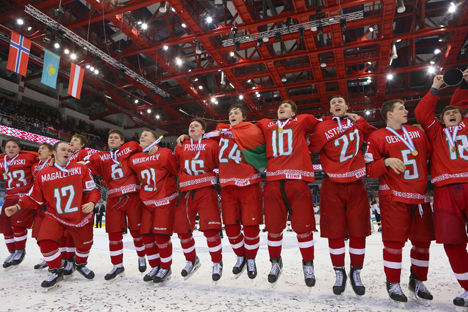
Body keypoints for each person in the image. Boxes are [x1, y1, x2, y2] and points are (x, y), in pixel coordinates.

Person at [365, 98, 435, 305]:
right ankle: (393, 282)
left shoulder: (418, 132)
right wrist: (385, 161)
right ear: (390, 114)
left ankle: (418, 280)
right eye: (401, 108)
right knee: (394, 243)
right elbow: (369, 169)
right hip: (394, 196)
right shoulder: (377, 136)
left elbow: (430, 157)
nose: (406, 111)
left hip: (420, 195)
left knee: (423, 243)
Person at [4, 141, 101, 289]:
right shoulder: (43, 173)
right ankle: (56, 270)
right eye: (63, 149)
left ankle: (81, 265)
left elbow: (93, 190)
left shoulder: (81, 168)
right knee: (45, 241)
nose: (67, 152)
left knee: (84, 247)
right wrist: (18, 206)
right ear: (54, 153)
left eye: (69, 150)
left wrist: (93, 202)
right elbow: (33, 196)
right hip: (55, 215)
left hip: (80, 216)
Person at [308, 95, 375, 296]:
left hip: (356, 183)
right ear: (329, 108)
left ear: (347, 106)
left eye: (340, 102)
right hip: (331, 183)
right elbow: (310, 147)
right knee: (334, 232)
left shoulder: (358, 122)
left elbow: (376, 137)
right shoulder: (322, 126)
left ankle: (356, 271)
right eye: (332, 103)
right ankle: (339, 272)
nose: (336, 104)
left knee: (358, 231)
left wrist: (361, 121)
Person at [414, 74, 468, 308]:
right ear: (442, 120)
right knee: (451, 241)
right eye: (446, 113)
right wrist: (435, 87)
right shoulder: (435, 132)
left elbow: (462, 103)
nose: (451, 114)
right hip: (444, 190)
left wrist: (465, 83)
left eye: (454, 112)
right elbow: (422, 114)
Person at [256, 100, 319, 287]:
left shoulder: (301, 121)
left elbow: (325, 124)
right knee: (273, 229)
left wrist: (348, 117)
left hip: (297, 180)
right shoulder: (266, 123)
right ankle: (275, 262)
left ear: (293, 113)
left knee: (304, 229)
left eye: (286, 107)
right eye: (279, 106)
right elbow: (243, 129)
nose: (281, 108)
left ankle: (308, 264)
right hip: (273, 181)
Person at [85, 129, 148, 280]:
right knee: (114, 235)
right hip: (113, 199)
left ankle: (141, 256)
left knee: (136, 232)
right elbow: (84, 166)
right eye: (110, 137)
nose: (112, 139)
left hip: (132, 196)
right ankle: (117, 265)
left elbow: (142, 148)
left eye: (116, 138)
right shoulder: (101, 157)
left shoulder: (130, 147)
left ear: (122, 141)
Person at [174, 118, 223, 282]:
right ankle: (191, 260)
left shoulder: (212, 144)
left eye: (196, 126)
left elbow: (222, 161)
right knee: (182, 230)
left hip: (206, 190)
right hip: (186, 191)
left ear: (203, 131)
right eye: (190, 125)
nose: (192, 127)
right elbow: (175, 165)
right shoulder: (181, 145)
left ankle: (217, 262)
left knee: (210, 230)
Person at [129, 130, 179, 284]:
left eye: (146, 135)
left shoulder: (165, 153)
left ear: (155, 139)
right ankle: (155, 266)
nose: (142, 136)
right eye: (141, 135)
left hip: (164, 200)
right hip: (147, 202)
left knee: (161, 237)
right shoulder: (134, 158)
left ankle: (165, 267)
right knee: (146, 237)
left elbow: (175, 170)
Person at [0, 139, 37, 269]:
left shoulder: (29, 157)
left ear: (19, 148)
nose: (11, 149)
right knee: (5, 228)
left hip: (23, 198)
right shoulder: (2, 161)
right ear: (4, 149)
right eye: (8, 147)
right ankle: (12, 252)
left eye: (14, 147)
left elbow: (41, 163)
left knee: (17, 225)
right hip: (9, 198)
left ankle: (20, 250)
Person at [31, 143, 53, 271]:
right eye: (38, 149)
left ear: (51, 153)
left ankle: (61, 259)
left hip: (52, 203)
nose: (39, 151)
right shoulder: (35, 166)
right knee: (37, 234)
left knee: (52, 234)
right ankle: (48, 257)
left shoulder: (55, 162)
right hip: (39, 204)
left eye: (43, 149)